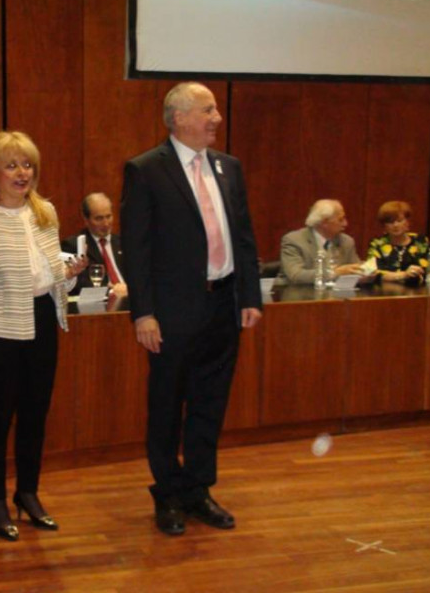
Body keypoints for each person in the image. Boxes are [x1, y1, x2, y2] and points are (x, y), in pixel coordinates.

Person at [121, 82, 263, 536]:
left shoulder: (229, 168)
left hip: (222, 304)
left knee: (210, 401)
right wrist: (143, 313)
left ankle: (199, 488)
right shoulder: (146, 170)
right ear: (178, 117)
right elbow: (137, 251)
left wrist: (250, 296)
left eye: (216, 110)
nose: (217, 118)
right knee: (167, 403)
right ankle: (167, 492)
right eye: (208, 110)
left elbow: (243, 237)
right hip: (172, 311)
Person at [0, 131, 86, 543]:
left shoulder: (45, 211)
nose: (21, 172)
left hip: (43, 321)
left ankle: (27, 493)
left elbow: (44, 271)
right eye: (11, 165)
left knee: (35, 415)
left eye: (27, 164)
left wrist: (67, 274)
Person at [280, 199, 363, 284]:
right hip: (301, 294)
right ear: (324, 222)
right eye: (340, 220)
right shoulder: (294, 240)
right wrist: (334, 273)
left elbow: (356, 270)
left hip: (338, 295)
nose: (345, 224)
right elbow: (296, 275)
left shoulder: (346, 241)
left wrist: (366, 273)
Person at [366, 200, 430, 283]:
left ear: (407, 222)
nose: (395, 225)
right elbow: (372, 273)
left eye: (399, 221)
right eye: (390, 222)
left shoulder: (420, 241)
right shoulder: (377, 244)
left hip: (419, 291)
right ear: (384, 226)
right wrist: (404, 275)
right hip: (385, 292)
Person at [61, 192, 128, 297]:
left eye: (108, 216)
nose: (106, 223)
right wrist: (111, 291)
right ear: (86, 220)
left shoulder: (124, 242)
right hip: (100, 305)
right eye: (99, 218)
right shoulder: (73, 245)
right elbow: (78, 283)